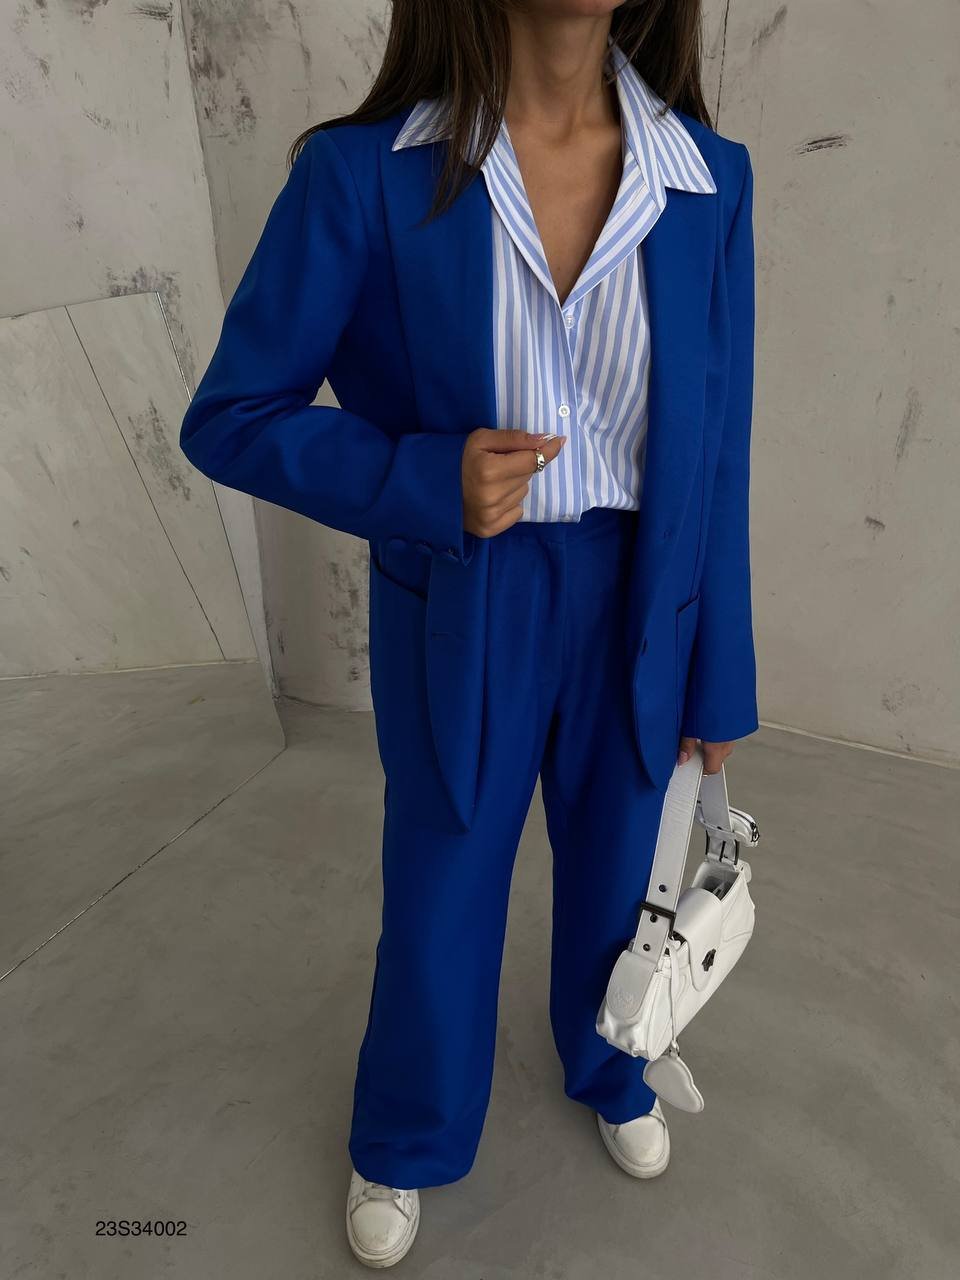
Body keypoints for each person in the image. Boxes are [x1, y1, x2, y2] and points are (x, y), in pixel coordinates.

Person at [179, 0, 758, 1267]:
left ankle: (613, 1065)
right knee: (443, 884)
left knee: (621, 869)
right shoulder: (362, 175)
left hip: (640, 590)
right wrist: (419, 476)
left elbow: (718, 453)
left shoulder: (709, 180)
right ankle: (406, 1130)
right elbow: (231, 413)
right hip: (466, 592)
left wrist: (722, 673)